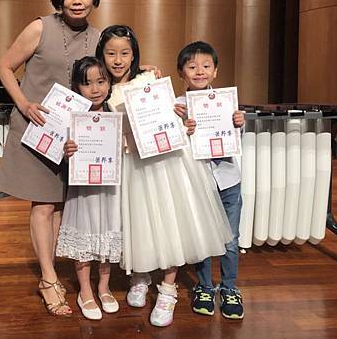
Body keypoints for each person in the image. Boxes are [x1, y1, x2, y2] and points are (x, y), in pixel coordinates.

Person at [96, 25, 233, 327]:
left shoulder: (149, 79)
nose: (118, 60)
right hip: (132, 163)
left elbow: (171, 112)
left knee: (171, 220)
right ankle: (140, 275)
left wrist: (184, 121)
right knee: (141, 221)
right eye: (111, 53)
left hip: (165, 159)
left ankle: (168, 289)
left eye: (125, 53)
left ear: (134, 54)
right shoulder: (102, 87)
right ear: (101, 55)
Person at [0, 0, 103, 316]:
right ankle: (48, 278)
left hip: (74, 139)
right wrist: (24, 104)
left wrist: (144, 70)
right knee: (43, 205)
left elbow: (115, 71)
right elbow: (4, 66)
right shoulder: (39, 27)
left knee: (59, 207)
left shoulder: (99, 38)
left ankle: (51, 270)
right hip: (38, 129)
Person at [176, 40, 245, 320]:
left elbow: (234, 140)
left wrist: (239, 123)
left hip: (228, 179)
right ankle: (204, 286)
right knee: (203, 236)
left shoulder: (226, 102)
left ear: (215, 71)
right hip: (198, 180)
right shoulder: (177, 107)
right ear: (181, 72)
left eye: (206, 66)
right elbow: (172, 144)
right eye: (192, 66)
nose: (199, 71)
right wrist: (183, 129)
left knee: (231, 239)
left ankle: (229, 287)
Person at [55, 56, 121, 320]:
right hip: (83, 189)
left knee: (107, 231)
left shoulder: (116, 113)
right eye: (87, 83)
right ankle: (85, 290)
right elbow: (60, 153)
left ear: (109, 83)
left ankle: (104, 286)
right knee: (84, 232)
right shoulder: (72, 118)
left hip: (110, 188)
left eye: (101, 81)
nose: (95, 89)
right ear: (76, 88)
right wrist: (67, 151)